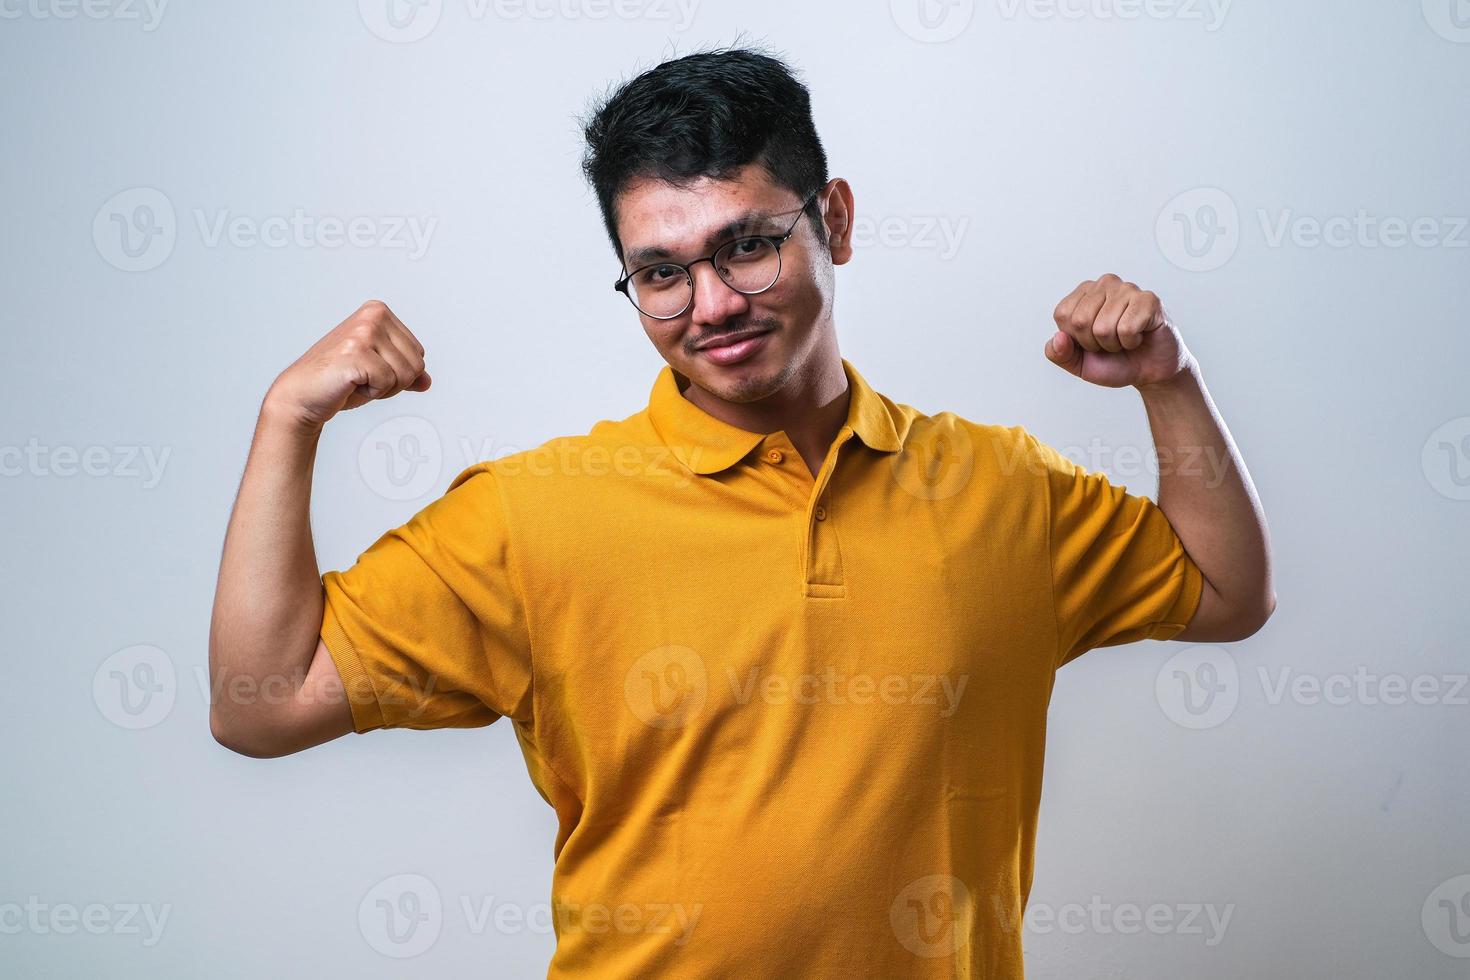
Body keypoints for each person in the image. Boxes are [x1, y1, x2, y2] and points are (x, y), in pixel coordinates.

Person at [207, 45, 1274, 979]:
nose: (710, 304)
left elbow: (1225, 591)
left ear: (835, 220)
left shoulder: (1001, 488)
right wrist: (284, 420)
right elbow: (261, 703)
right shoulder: (533, 517)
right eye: (660, 272)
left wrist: (1167, 382)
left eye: (747, 245)